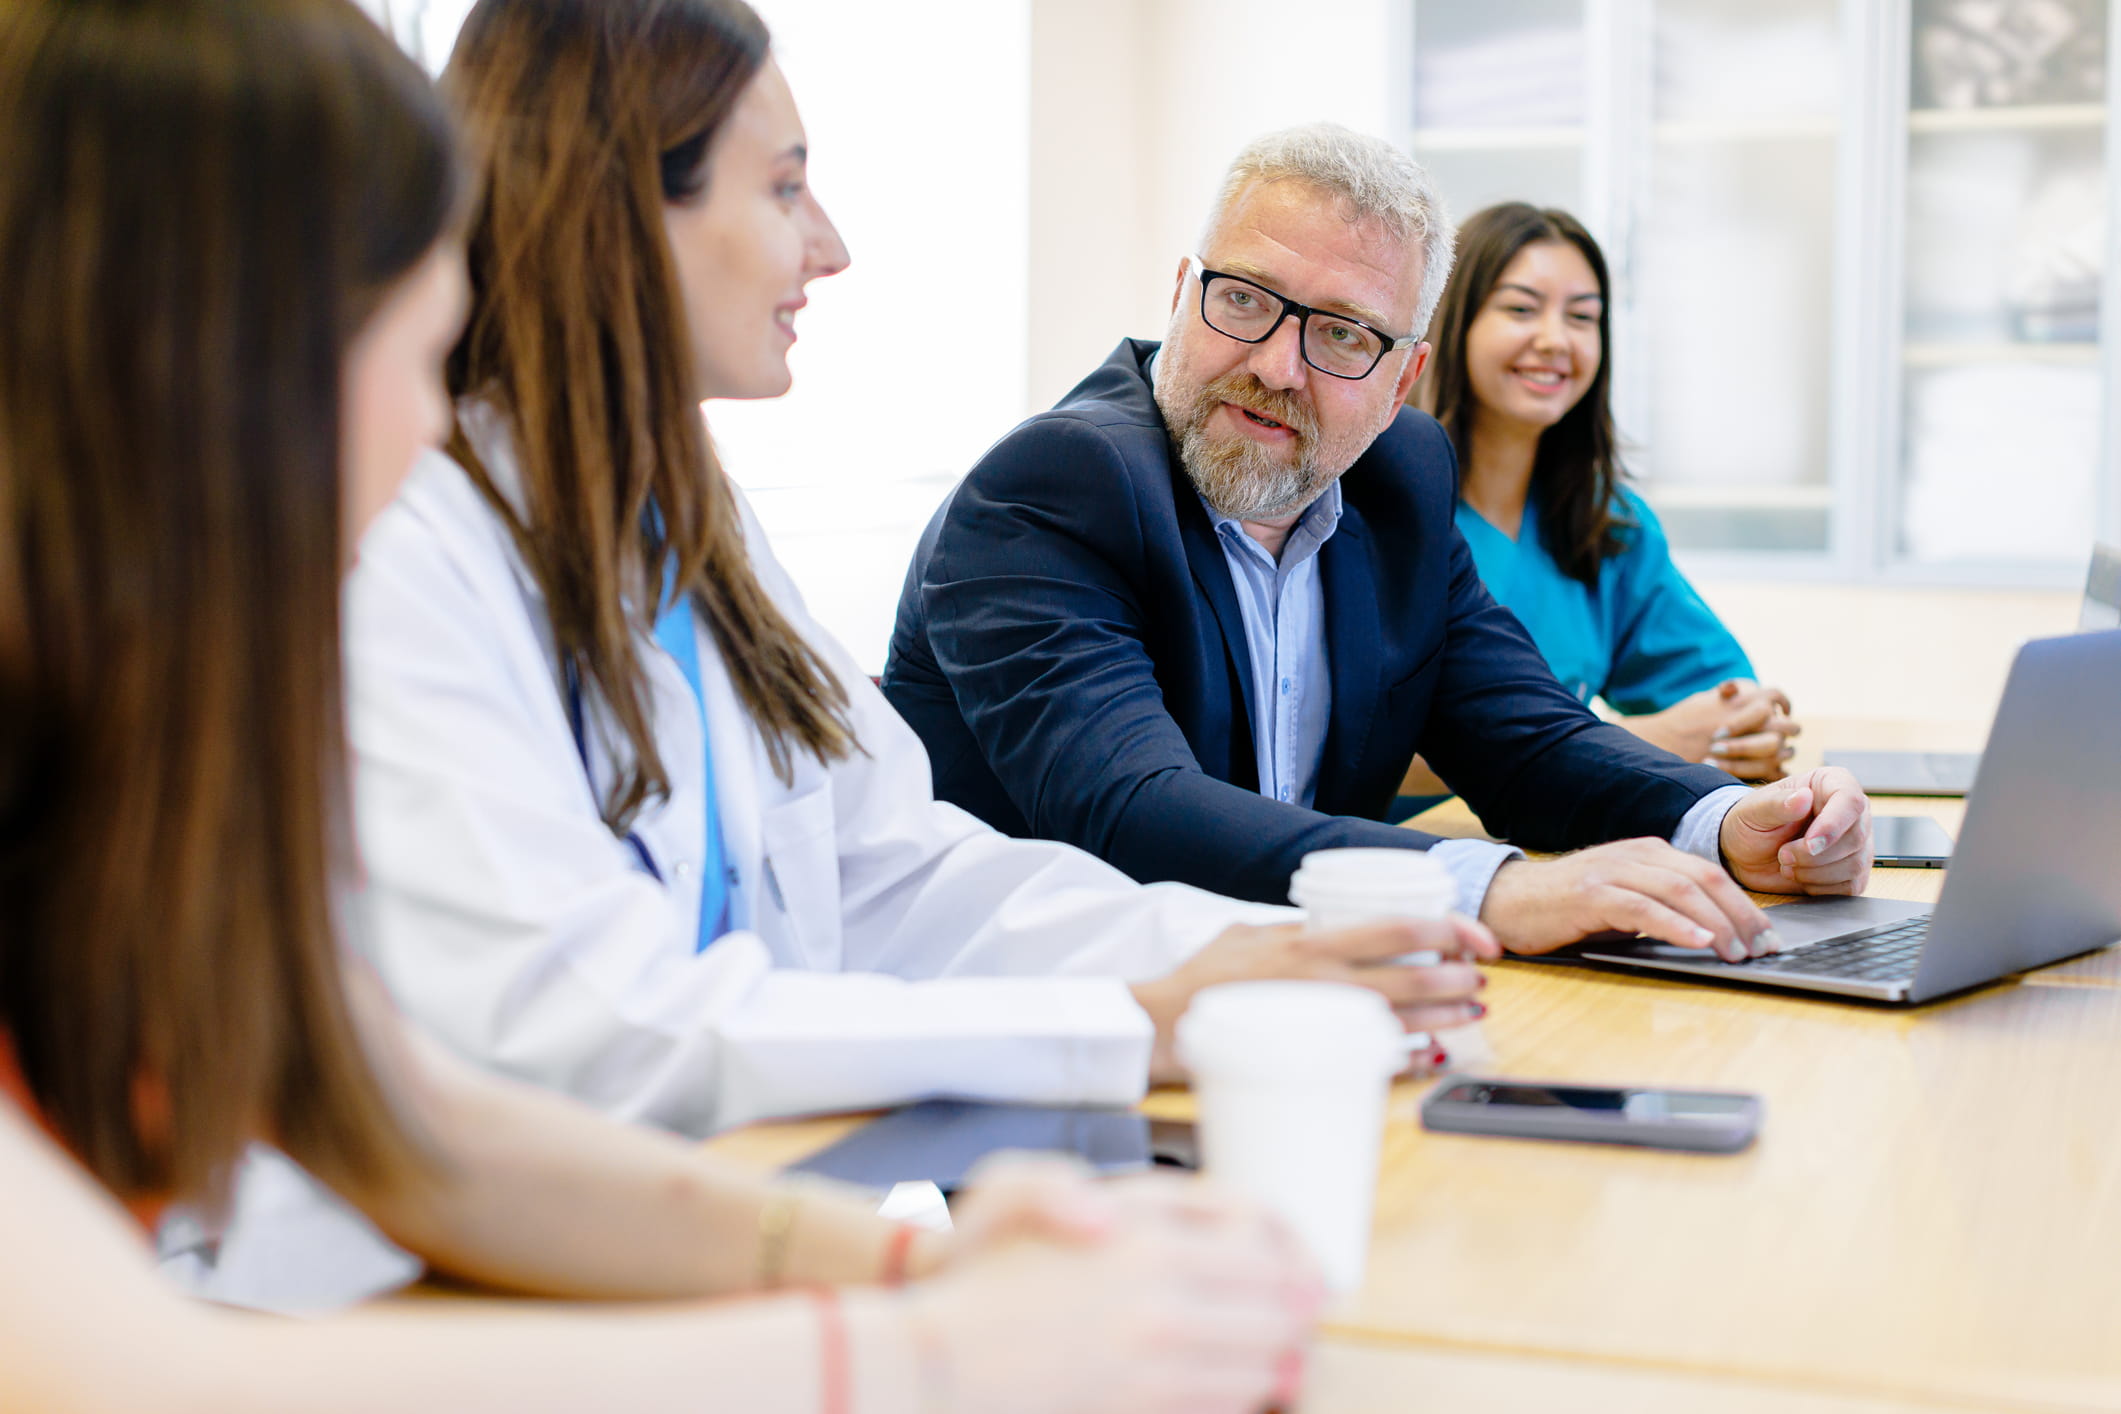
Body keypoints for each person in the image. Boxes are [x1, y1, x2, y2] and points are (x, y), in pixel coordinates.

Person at [0, 1, 1323, 1408]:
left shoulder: (155, 730)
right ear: (193, 361)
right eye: (397, 345)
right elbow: (133, 1369)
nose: (421, 430)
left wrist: (908, 1274)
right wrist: (924, 1346)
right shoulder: (399, 563)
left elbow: (415, 1127)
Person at [342, 0, 1492, 1139]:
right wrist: (1130, 1022)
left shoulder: (694, 522)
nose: (829, 246)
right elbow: (601, 1027)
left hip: (722, 1213)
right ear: (617, 214)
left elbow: (895, 867)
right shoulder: (411, 556)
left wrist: (1241, 957)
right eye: (785, 187)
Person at [884, 124, 1874, 961]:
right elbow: (1136, 807)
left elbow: (1526, 738)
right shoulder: (1056, 485)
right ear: (1182, 293)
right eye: (1243, 299)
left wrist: (1732, 823)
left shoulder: (1397, 479)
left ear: (1404, 379)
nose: (1276, 364)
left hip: (1297, 1001)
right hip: (1051, 1044)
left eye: (1345, 334)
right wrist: (1490, 890)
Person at [1412, 202, 1800, 782]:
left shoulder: (1605, 524)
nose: (1554, 339)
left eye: (1582, 317)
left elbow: (1724, 697)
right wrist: (1641, 741)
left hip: (1557, 846)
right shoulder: (1373, 506)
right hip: (1397, 854)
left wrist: (1746, 727)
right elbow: (1349, 745)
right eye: (1521, 308)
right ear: (1452, 323)